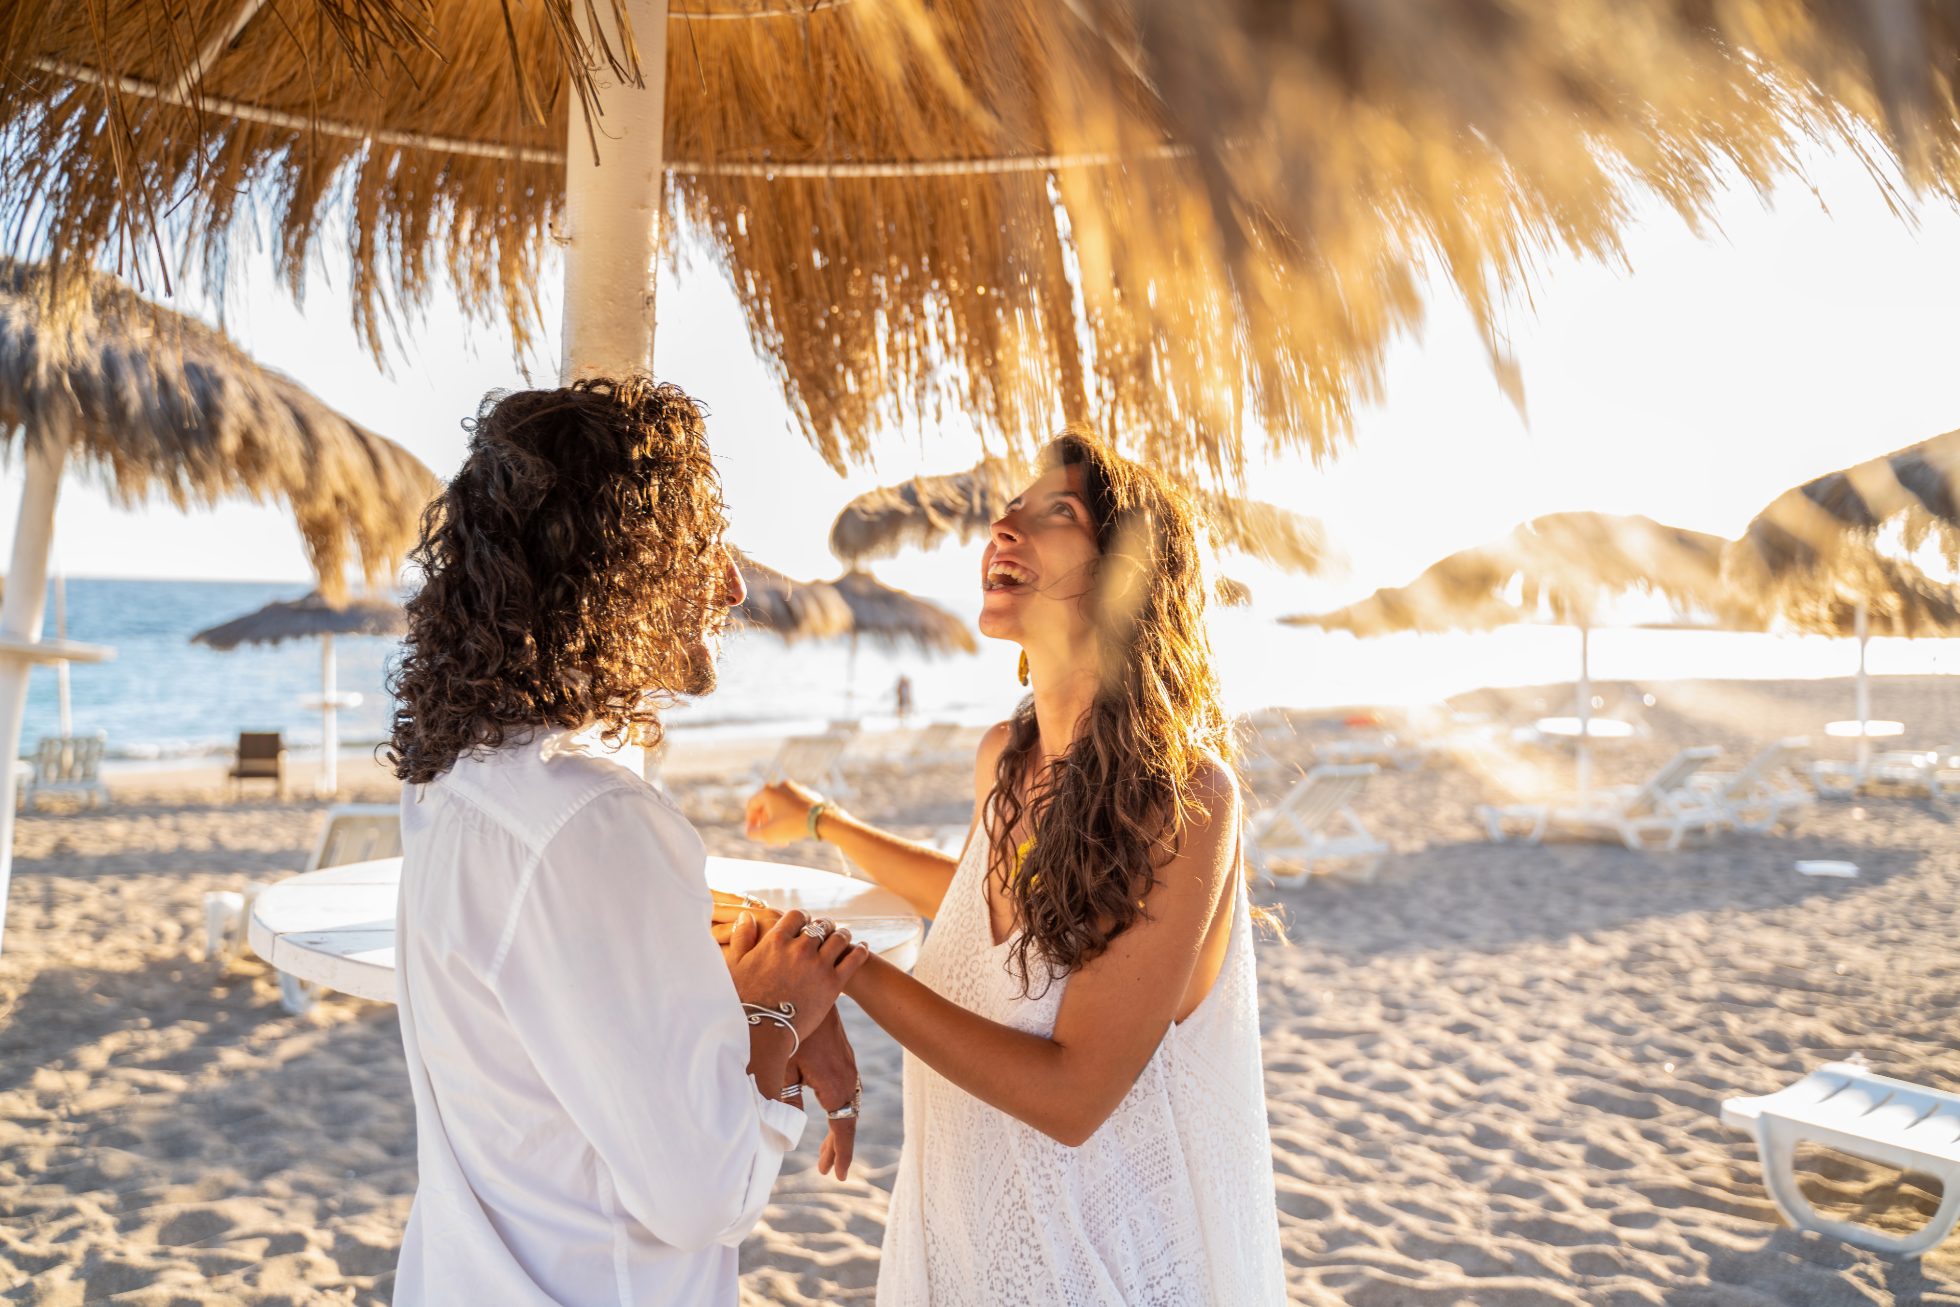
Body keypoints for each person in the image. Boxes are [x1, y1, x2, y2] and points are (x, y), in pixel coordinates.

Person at [744, 430, 1285, 1304]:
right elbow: (974, 903)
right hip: (955, 1246)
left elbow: (1074, 1093)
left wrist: (840, 968)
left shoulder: (1184, 797)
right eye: (1008, 511)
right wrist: (823, 821)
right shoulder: (1006, 755)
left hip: (1104, 1269)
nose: (1002, 524)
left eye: (1055, 512)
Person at [385, 377, 868, 1307]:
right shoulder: (596, 824)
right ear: (615, 564)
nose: (730, 582)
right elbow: (705, 1193)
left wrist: (739, 994)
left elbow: (563, 1038)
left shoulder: (455, 779)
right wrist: (776, 1015)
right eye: (696, 545)